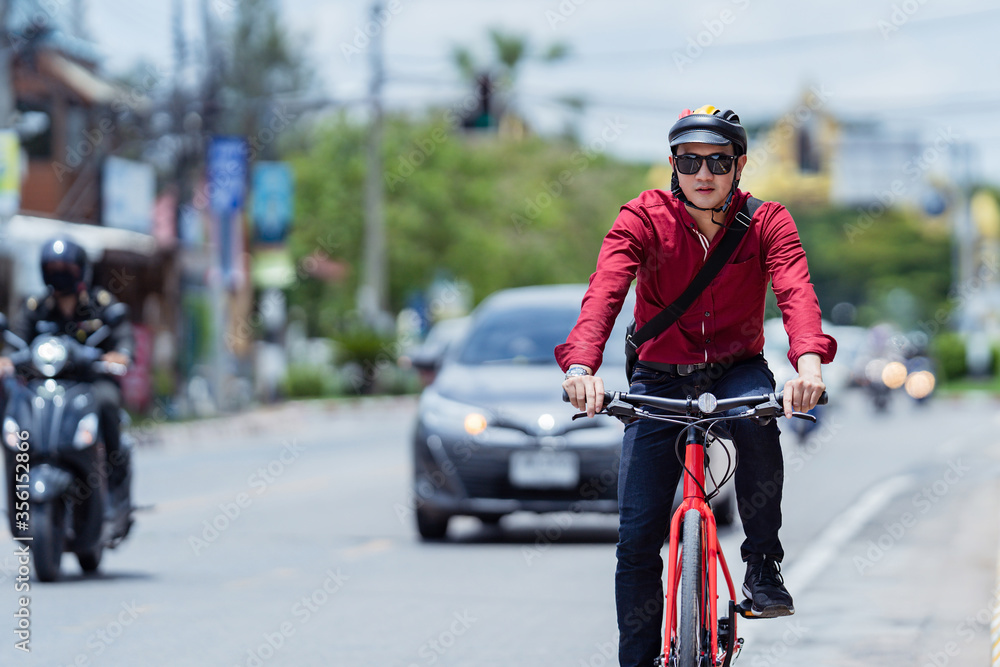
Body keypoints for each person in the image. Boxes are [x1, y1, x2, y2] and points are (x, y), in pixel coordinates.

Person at [556, 105, 836, 666]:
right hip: (658, 376)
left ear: (740, 165)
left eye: (717, 161)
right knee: (637, 540)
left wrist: (808, 364)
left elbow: (796, 291)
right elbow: (606, 289)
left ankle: (762, 564)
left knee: (760, 425)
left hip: (738, 367)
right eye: (689, 161)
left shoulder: (767, 221)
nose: (703, 173)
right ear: (673, 165)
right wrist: (582, 367)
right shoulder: (643, 217)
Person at [0, 237, 134, 507]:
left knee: (107, 402)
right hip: (44, 386)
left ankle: (113, 480)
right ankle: (19, 489)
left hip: (89, 384)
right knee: (15, 409)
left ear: (81, 270)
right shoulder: (35, 308)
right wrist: (5, 360)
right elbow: (15, 342)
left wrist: (120, 355)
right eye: (52, 268)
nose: (59, 274)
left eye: (66, 268)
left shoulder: (100, 304)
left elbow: (122, 337)